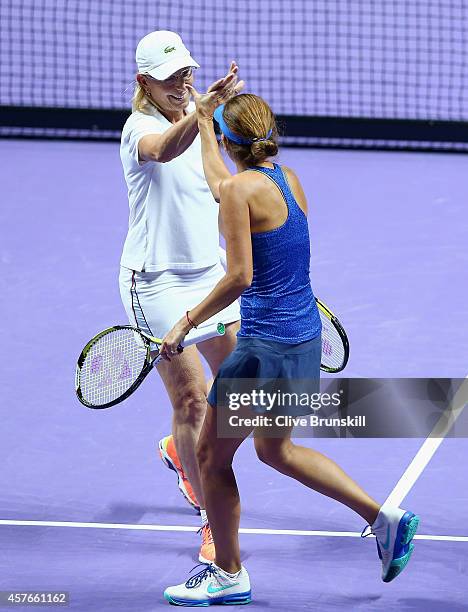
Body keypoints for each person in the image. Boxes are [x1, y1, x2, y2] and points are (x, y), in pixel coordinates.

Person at [160, 91, 420, 606]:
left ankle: (229, 573)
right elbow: (223, 186)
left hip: (263, 353)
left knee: (211, 457)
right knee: (276, 450)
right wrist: (208, 127)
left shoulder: (238, 192)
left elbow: (239, 276)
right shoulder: (286, 179)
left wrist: (185, 322)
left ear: (230, 143)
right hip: (301, 342)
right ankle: (382, 518)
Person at [119, 30, 244, 564]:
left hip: (208, 275)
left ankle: (180, 450)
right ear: (146, 82)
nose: (183, 84)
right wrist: (201, 114)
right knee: (193, 399)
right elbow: (167, 151)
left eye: (187, 74)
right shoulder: (139, 130)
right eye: (171, 78)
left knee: (247, 394)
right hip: (156, 283)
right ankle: (211, 521)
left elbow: (220, 186)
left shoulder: (204, 118)